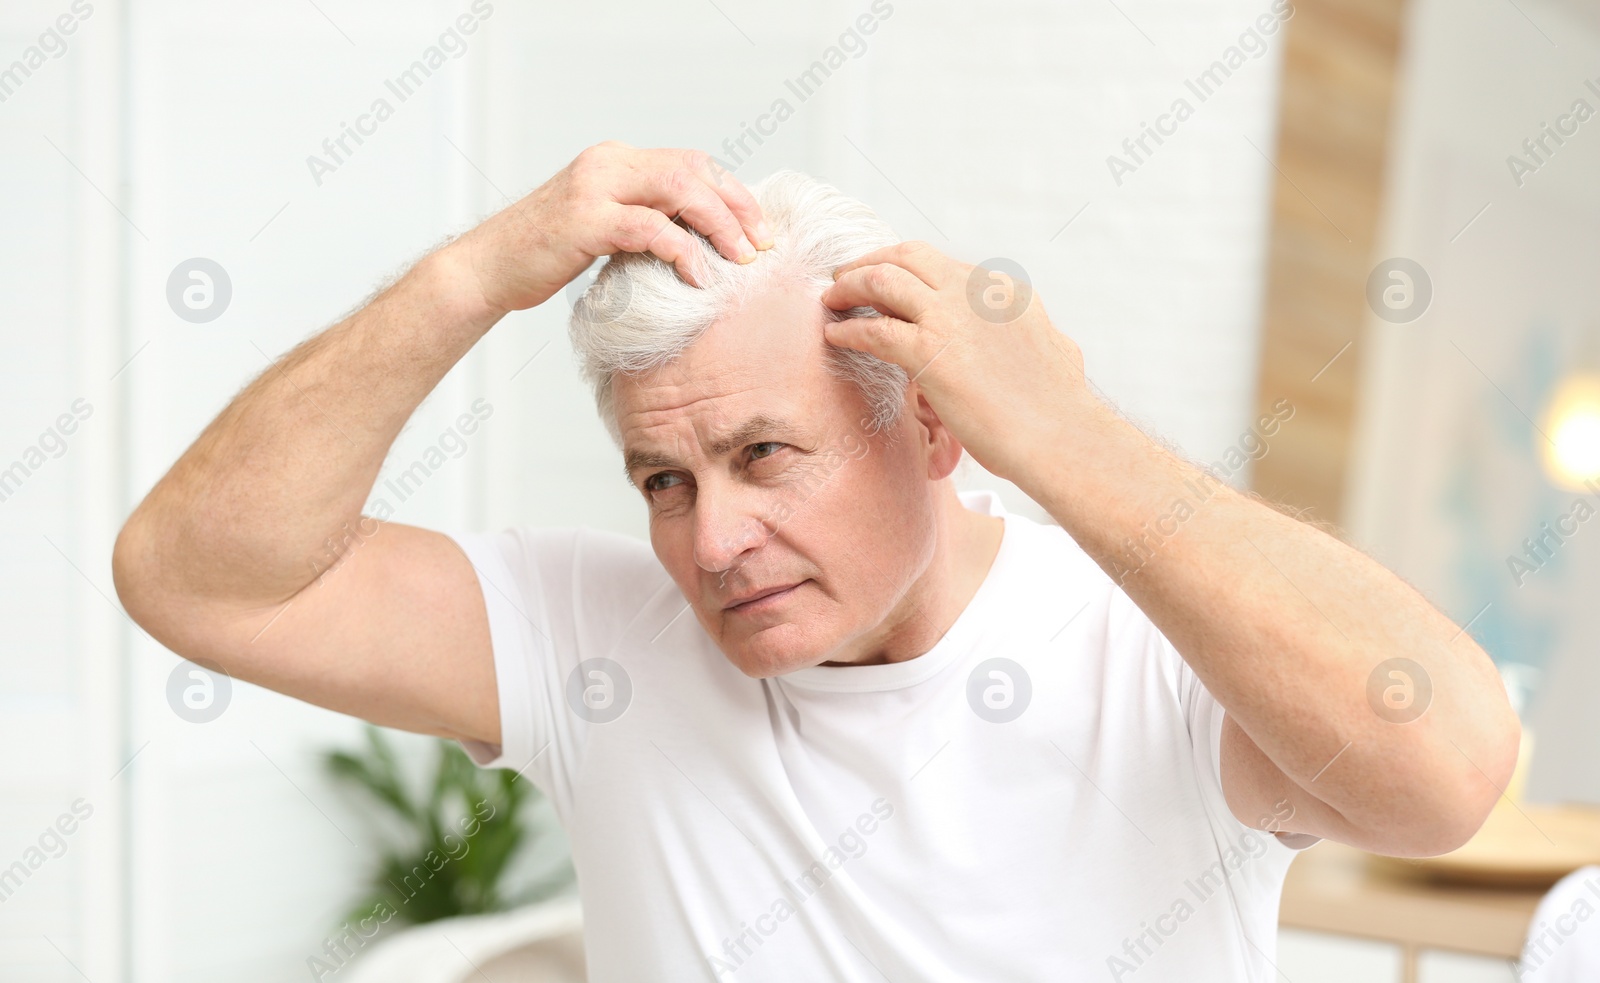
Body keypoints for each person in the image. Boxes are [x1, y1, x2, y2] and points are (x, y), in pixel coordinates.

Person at [112, 141, 1520, 981]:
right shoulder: (594, 641)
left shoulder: (1146, 647)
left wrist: (1070, 434)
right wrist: (470, 276)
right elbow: (202, 577)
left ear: (938, 432)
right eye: (665, 481)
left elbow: (1448, 773)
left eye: (768, 456)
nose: (712, 542)